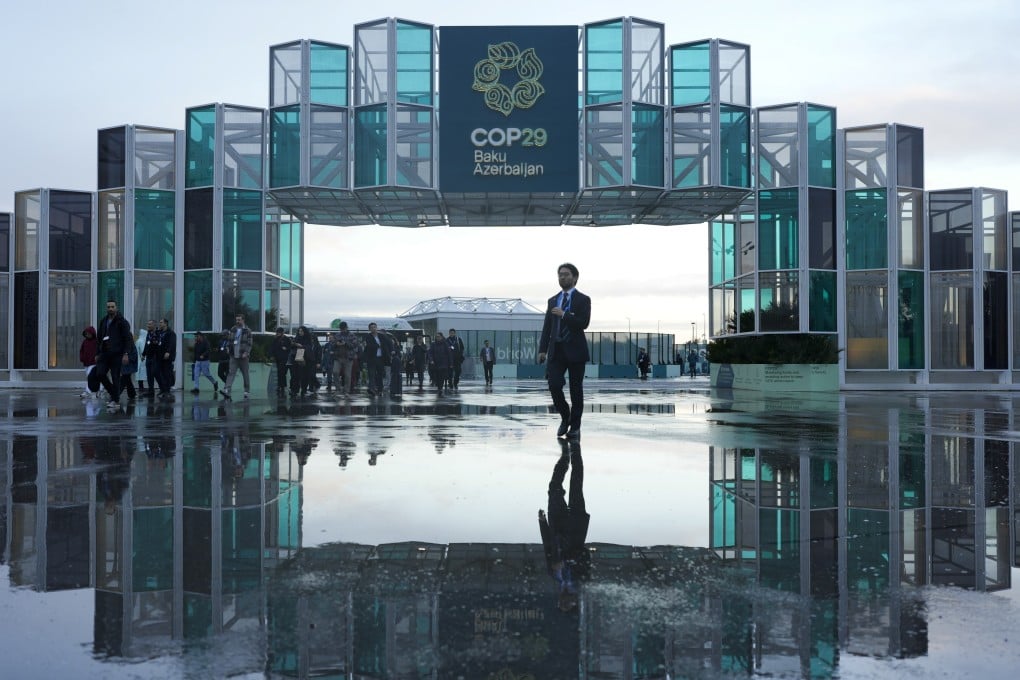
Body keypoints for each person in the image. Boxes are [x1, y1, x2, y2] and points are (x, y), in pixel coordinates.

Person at [538, 263, 591, 440]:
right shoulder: (553, 300)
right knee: (554, 385)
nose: (563, 277)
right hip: (557, 351)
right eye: (560, 274)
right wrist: (542, 349)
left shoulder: (583, 299)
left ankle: (575, 427)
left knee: (576, 390)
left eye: (566, 274)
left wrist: (564, 314)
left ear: (575, 278)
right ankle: (565, 415)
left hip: (576, 350)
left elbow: (583, 323)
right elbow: (547, 326)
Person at [538, 439, 590, 613]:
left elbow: (548, 547)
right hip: (575, 524)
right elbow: (585, 554)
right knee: (576, 483)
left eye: (561, 605)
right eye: (567, 605)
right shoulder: (582, 580)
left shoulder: (554, 576)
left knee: (554, 487)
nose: (563, 603)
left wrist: (542, 522)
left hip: (557, 522)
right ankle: (575, 449)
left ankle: (565, 457)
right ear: (575, 602)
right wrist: (566, 560)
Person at [94, 300, 134, 409]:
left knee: (115, 377)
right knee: (100, 374)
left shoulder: (122, 322)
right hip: (105, 353)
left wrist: (126, 353)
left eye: (112, 307)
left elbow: (128, 339)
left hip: (117, 354)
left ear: (116, 308)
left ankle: (115, 400)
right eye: (108, 307)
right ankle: (113, 393)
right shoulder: (103, 321)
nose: (110, 309)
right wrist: (97, 353)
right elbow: (99, 338)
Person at [220, 314, 252, 400]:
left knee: (245, 374)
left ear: (243, 320)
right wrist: (227, 347)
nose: (237, 321)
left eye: (239, 320)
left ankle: (246, 391)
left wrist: (246, 352)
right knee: (231, 373)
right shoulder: (233, 329)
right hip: (233, 355)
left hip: (243, 356)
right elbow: (229, 341)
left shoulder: (247, 330)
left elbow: (249, 344)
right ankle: (226, 389)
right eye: (237, 320)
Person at [361, 322, 392, 397]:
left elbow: (389, 343)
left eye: (374, 327)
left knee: (380, 375)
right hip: (371, 358)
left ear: (376, 328)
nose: (373, 329)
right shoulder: (368, 336)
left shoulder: (381, 336)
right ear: (369, 329)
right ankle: (371, 389)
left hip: (380, 358)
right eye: (371, 327)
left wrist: (391, 351)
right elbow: (370, 345)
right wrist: (378, 345)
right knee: (371, 374)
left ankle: (380, 389)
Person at [333, 322, 360, 398]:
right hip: (338, 357)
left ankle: (346, 391)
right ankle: (338, 389)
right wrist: (336, 344)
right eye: (341, 329)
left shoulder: (352, 335)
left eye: (344, 329)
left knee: (348, 375)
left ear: (346, 328)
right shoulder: (337, 335)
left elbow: (354, 345)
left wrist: (345, 343)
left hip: (348, 358)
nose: (342, 330)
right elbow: (332, 344)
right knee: (335, 372)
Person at [289, 325, 315, 398]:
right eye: (299, 331)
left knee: (304, 375)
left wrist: (302, 346)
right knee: (295, 374)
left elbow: (309, 348)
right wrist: (294, 344)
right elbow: (292, 347)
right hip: (296, 358)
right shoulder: (297, 338)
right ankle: (294, 390)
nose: (300, 332)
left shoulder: (307, 339)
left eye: (301, 331)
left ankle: (303, 390)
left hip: (305, 358)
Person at [154, 318, 176, 401]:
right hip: (159, 356)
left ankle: (167, 391)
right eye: (159, 322)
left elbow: (172, 343)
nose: (159, 324)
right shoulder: (159, 333)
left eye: (161, 322)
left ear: (166, 323)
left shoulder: (171, 333)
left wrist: (168, 352)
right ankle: (162, 388)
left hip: (167, 356)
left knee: (167, 373)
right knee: (156, 372)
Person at [269, 328, 292, 396]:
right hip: (278, 358)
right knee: (279, 372)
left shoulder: (287, 339)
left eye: (279, 332)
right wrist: (272, 355)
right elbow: (272, 348)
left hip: (284, 358)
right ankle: (280, 386)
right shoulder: (276, 339)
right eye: (277, 332)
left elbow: (290, 347)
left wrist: (286, 348)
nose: (278, 334)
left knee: (282, 372)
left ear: (282, 333)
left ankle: (282, 386)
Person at [429, 331, 452, 396]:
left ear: (441, 337)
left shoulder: (445, 344)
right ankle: (439, 386)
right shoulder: (433, 344)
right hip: (435, 363)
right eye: (436, 337)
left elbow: (449, 354)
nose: (437, 338)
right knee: (436, 377)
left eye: (438, 336)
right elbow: (430, 353)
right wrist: (431, 360)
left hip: (443, 364)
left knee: (441, 377)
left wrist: (451, 363)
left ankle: (440, 388)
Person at [79, 326, 100, 398]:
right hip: (86, 363)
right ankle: (99, 389)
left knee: (90, 377)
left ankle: (88, 391)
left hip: (93, 363)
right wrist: (82, 358)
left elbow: (99, 351)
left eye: (88, 333)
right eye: (86, 333)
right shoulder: (85, 342)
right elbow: (81, 351)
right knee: (91, 377)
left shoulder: (96, 342)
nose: (87, 335)